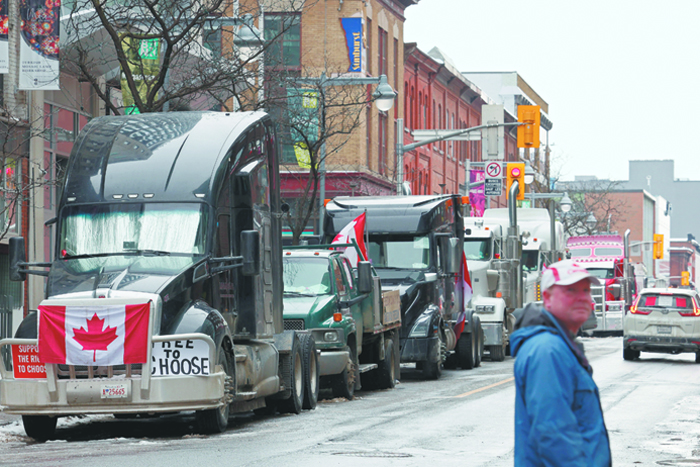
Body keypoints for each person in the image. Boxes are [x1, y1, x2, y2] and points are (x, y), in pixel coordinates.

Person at [511, 259, 612, 466]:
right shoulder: (547, 350)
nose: (582, 298)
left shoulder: (559, 345)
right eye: (571, 290)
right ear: (547, 298)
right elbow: (553, 433)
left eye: (586, 290)